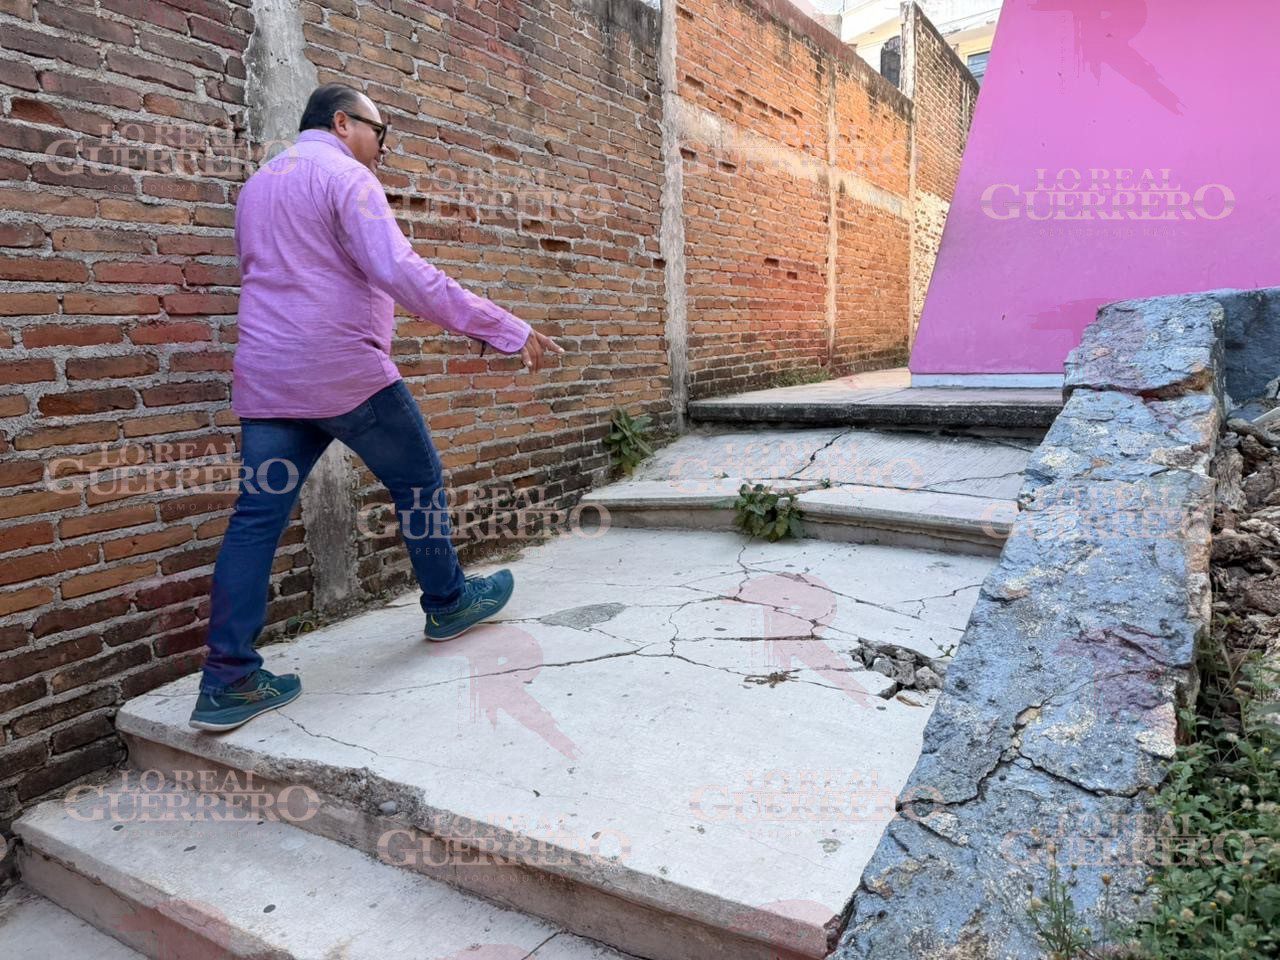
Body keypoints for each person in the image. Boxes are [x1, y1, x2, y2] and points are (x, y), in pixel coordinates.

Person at [188, 84, 564, 732]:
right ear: (342, 122)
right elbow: (402, 271)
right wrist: (504, 327)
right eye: (379, 133)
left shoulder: (258, 186)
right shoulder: (346, 177)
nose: (382, 149)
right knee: (418, 479)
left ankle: (226, 680)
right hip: (343, 373)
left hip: (268, 381)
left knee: (255, 521)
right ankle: (448, 603)